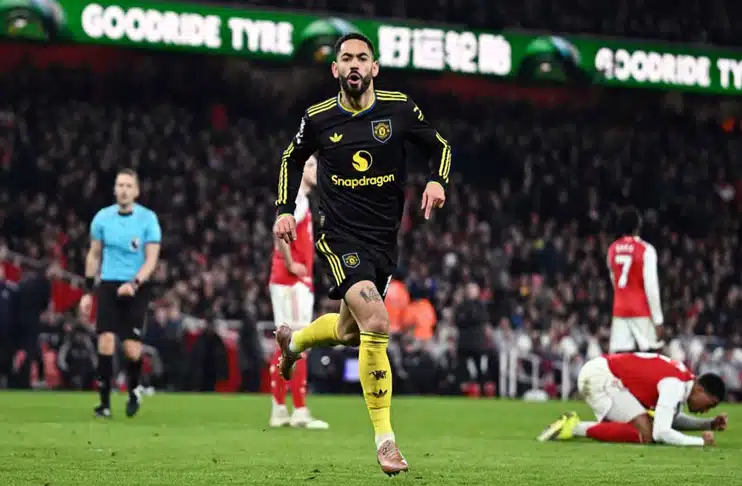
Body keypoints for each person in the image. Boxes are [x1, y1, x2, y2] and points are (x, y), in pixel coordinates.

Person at [272, 33, 451, 475]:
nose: (354, 64)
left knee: (350, 332)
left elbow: (440, 147)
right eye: (347, 58)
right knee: (377, 321)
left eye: (362, 58)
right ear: (335, 69)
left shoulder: (399, 109)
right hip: (340, 238)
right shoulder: (318, 118)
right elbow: (291, 159)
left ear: (375, 68)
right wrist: (284, 209)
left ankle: (294, 343)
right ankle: (386, 441)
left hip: (383, 242)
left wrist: (437, 180)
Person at [79, 168, 161, 418]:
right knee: (105, 340)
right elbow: (94, 254)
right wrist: (88, 291)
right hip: (108, 284)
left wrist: (134, 284)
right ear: (115, 190)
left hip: (137, 285)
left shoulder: (148, 219)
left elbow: (151, 260)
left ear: (136, 191)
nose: (124, 190)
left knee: (131, 349)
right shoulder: (102, 218)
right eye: (120, 185)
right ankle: (104, 404)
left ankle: (134, 389)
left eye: (128, 186)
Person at [538, 352, 727, 446]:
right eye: (710, 405)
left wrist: (708, 424)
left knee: (645, 427)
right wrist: (699, 442)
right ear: (700, 389)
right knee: (646, 433)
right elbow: (661, 432)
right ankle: (573, 427)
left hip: (603, 372)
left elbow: (668, 418)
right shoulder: (675, 385)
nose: (706, 410)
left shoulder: (682, 381)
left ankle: (575, 426)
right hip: (602, 377)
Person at [268, 155, 328, 430]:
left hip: (289, 280)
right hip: (291, 280)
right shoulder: (297, 200)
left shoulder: (297, 199)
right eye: (311, 165)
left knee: (286, 342)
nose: (316, 170)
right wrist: (291, 263)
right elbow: (279, 229)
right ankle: (299, 409)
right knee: (298, 340)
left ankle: (280, 408)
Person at [606, 208, 664, 353]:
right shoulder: (646, 250)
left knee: (621, 359)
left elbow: (614, 281)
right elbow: (651, 287)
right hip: (641, 311)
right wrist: (658, 320)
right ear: (638, 226)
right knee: (652, 356)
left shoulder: (612, 249)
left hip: (620, 311)